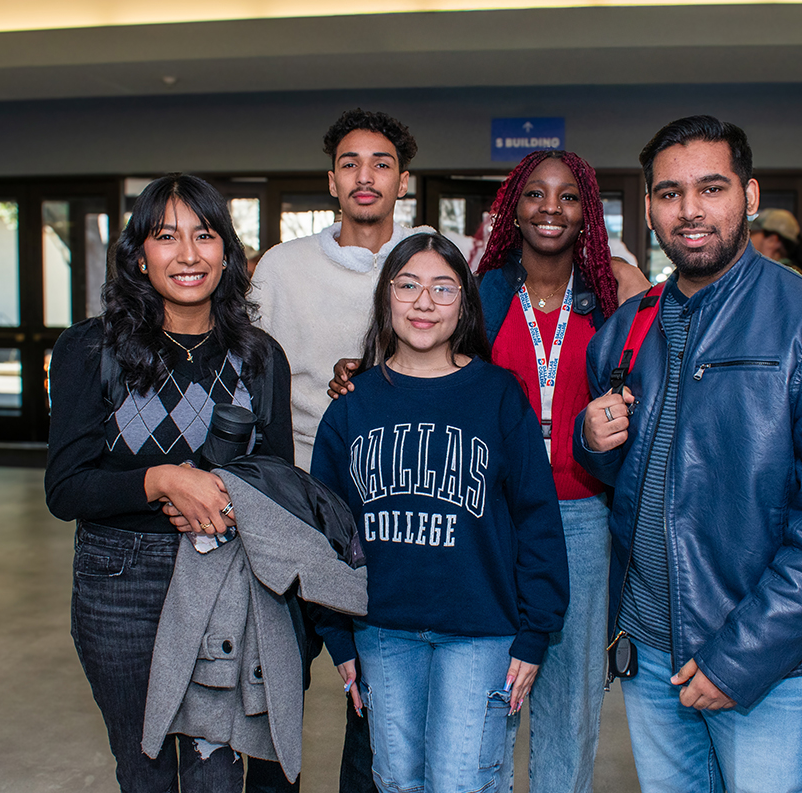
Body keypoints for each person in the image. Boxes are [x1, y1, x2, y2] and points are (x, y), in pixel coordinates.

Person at [575, 115, 802, 792]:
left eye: (710, 188)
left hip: (768, 660)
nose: (689, 210)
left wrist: (739, 658)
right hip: (651, 651)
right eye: (669, 193)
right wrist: (590, 442)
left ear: (748, 196)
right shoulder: (630, 326)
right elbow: (627, 474)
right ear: (650, 207)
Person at [45, 173, 294, 792]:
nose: (188, 255)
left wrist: (227, 499)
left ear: (228, 254)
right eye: (166, 237)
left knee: (216, 766)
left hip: (225, 577)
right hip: (119, 584)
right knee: (146, 768)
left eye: (205, 236)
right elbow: (66, 488)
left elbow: (278, 484)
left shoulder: (261, 358)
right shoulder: (88, 349)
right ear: (137, 254)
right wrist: (161, 480)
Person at [312, 232, 570, 793]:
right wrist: (337, 636)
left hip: (479, 631)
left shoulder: (499, 395)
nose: (423, 302)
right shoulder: (351, 407)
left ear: (464, 305)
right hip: (381, 630)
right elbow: (326, 536)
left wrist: (535, 633)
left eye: (442, 288)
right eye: (407, 285)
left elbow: (537, 520)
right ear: (386, 298)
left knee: (462, 781)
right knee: (397, 780)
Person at [248, 107, 433, 793]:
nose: (366, 175)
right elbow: (247, 379)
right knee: (274, 689)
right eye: (352, 162)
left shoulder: (430, 257)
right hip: (296, 506)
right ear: (332, 179)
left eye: (381, 163)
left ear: (402, 180)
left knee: (377, 698)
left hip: (391, 508)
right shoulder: (282, 267)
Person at [475, 149, 649, 793]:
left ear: (588, 213)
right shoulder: (485, 292)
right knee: (492, 692)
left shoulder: (612, 293)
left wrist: (633, 280)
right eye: (536, 194)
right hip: (492, 516)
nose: (551, 207)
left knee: (569, 705)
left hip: (581, 518)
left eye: (569, 196)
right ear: (514, 208)